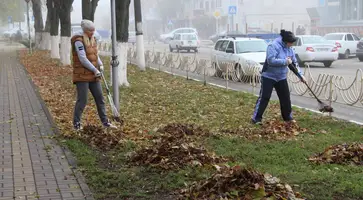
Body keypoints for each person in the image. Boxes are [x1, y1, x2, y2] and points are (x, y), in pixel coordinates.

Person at [251, 29, 306, 125]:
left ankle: (288, 118)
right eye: (290, 43)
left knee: (285, 98)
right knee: (265, 97)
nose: (291, 45)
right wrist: (284, 61)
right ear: (285, 41)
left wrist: (300, 76)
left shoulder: (290, 49)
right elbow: (270, 60)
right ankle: (256, 118)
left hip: (281, 77)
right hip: (268, 76)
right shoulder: (273, 46)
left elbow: (294, 63)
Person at [71, 19, 117, 130]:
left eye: (93, 30)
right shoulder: (78, 40)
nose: (92, 32)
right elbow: (82, 58)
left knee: (100, 98)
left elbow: (95, 54)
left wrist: (100, 65)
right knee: (83, 100)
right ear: (85, 30)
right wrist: (94, 69)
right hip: (82, 75)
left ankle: (105, 122)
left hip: (93, 74)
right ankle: (76, 124)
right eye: (90, 30)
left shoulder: (93, 39)